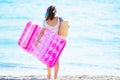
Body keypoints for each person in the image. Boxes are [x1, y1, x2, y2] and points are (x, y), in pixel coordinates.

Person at [35, 5, 63, 80]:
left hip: (48, 43)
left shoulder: (45, 21)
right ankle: (55, 78)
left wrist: (37, 41)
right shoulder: (60, 19)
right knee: (57, 60)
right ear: (55, 12)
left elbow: (41, 33)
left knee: (48, 60)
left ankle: (49, 76)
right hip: (57, 43)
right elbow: (63, 30)